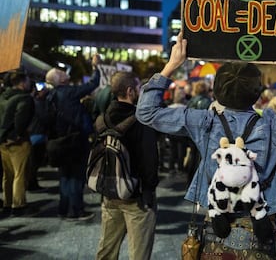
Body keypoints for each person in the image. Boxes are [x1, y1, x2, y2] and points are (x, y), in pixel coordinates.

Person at [136, 32, 276, 258]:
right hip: (260, 225)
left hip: (217, 224)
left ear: (216, 91)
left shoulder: (203, 121)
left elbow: (146, 112)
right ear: (257, 94)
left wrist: (171, 65)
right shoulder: (275, 125)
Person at [95, 72, 159, 260]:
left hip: (109, 192)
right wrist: (149, 190)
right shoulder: (141, 120)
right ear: (130, 91)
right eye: (138, 88)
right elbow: (150, 160)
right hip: (136, 196)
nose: (140, 91)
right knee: (138, 253)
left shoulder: (102, 119)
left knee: (106, 250)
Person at [45, 55, 100, 220]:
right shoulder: (68, 93)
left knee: (65, 176)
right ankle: (76, 210)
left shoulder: (51, 95)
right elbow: (93, 84)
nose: (64, 73)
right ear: (60, 80)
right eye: (61, 73)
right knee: (76, 177)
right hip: (74, 141)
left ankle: (63, 209)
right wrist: (95, 67)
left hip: (60, 141)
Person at [0, 71, 34, 217]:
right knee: (19, 174)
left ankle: (7, 203)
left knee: (7, 174)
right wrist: (16, 135)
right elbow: (21, 120)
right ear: (21, 82)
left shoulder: (2, 96)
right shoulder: (25, 99)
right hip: (17, 141)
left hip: (2, 141)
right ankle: (18, 205)